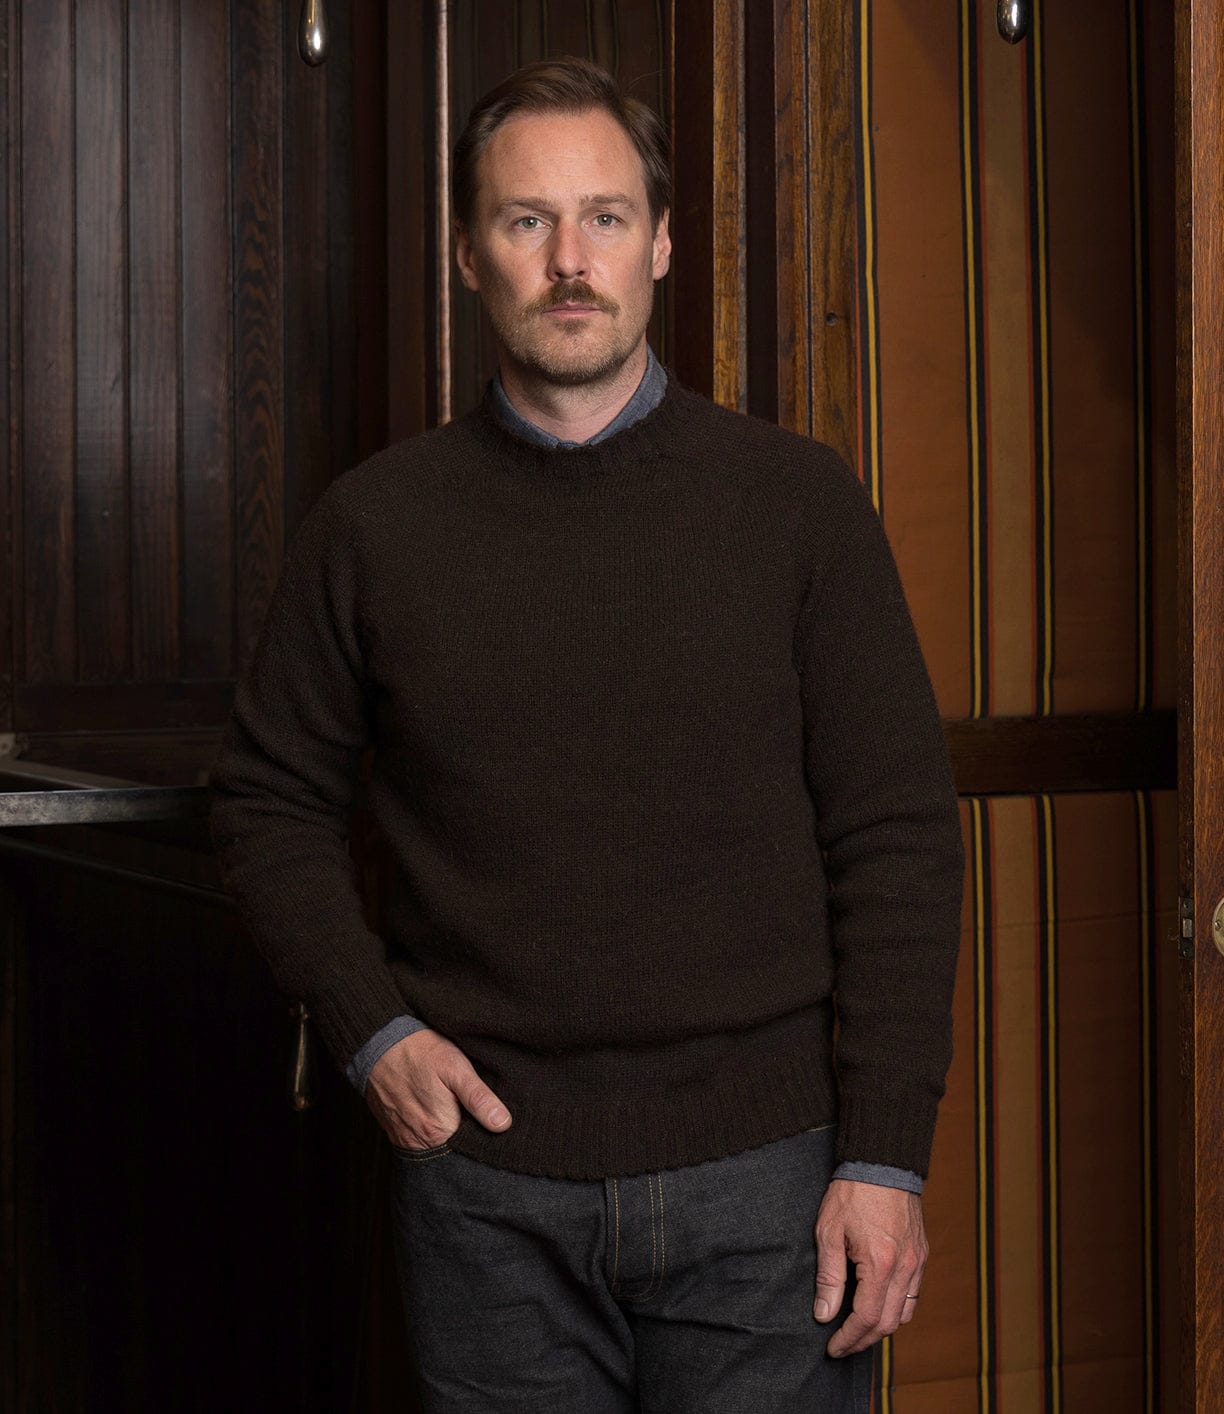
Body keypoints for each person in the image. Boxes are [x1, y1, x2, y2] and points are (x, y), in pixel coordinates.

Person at [210, 56, 963, 1414]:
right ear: (466, 252)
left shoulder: (798, 510)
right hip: (485, 1197)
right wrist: (371, 1029)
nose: (570, 260)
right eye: (525, 221)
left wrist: (889, 1158)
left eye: (606, 218)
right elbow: (268, 802)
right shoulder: (374, 529)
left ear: (664, 244)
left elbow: (897, 835)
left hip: (770, 1190)